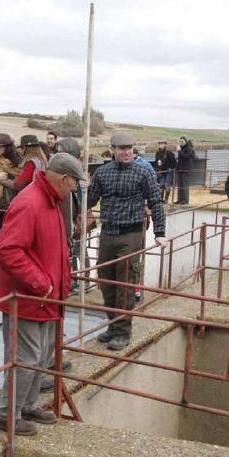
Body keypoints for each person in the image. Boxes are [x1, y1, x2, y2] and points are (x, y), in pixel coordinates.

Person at [0, 153, 86, 435]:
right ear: (63, 178)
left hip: (45, 298)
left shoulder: (49, 200)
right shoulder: (31, 202)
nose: (74, 189)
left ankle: (27, 405)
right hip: (29, 298)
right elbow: (8, 250)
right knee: (26, 358)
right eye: (74, 183)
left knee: (41, 354)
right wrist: (41, 284)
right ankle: (7, 414)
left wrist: (60, 285)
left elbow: (54, 249)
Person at [87, 133, 167, 350]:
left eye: (129, 147)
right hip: (108, 233)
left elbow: (156, 201)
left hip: (131, 233)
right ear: (112, 149)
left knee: (125, 282)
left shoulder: (143, 172)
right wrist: (78, 190)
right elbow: (90, 199)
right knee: (106, 281)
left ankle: (123, 331)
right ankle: (113, 324)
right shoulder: (102, 172)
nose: (126, 152)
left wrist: (160, 232)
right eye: (122, 148)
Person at [0, 133, 25, 235]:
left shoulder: (19, 160)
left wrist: (2, 180)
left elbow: (21, 184)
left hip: (15, 202)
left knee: (14, 233)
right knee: (0, 233)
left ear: (7, 147)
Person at [175, 136, 197, 205]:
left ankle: (185, 200)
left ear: (185, 142)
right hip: (181, 169)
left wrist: (179, 151)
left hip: (186, 169)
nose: (181, 143)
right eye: (180, 141)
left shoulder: (189, 148)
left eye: (182, 141)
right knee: (180, 185)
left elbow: (186, 156)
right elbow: (180, 159)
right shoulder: (182, 148)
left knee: (184, 185)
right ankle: (180, 199)